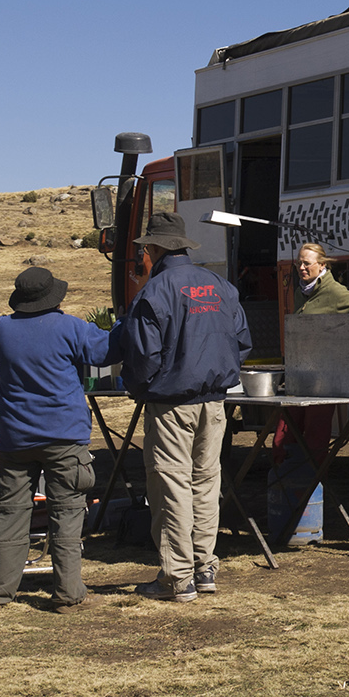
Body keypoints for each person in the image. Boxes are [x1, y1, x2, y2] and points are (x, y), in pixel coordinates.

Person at [121, 211, 252, 603]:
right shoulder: (220, 286)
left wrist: (139, 387)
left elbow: (144, 356)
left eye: (144, 248)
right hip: (215, 404)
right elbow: (242, 344)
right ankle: (204, 567)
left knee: (171, 486)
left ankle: (176, 578)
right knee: (206, 484)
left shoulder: (155, 292)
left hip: (171, 404)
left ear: (155, 249)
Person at [0, 267, 120, 610]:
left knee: (9, 513)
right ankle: (68, 594)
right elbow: (108, 352)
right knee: (67, 514)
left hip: (15, 438)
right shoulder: (71, 327)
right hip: (64, 437)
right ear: (53, 297)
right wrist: (122, 324)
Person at [273, 243, 349, 463]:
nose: (301, 267)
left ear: (322, 264)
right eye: (298, 263)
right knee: (282, 437)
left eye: (306, 263)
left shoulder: (336, 293)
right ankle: (287, 482)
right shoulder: (300, 292)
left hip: (325, 378)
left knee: (315, 435)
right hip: (300, 373)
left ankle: (312, 485)